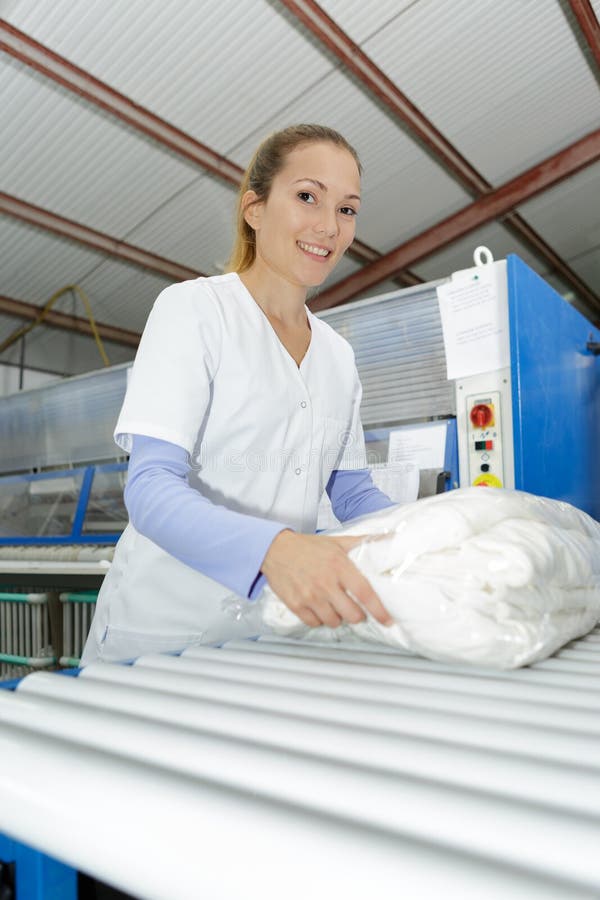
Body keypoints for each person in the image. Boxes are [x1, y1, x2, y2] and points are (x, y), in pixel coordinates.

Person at [81, 123, 395, 665]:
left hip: (266, 635)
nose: (329, 227)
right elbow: (152, 488)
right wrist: (275, 551)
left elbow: (352, 494)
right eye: (306, 197)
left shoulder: (338, 356)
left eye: (347, 210)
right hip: (158, 637)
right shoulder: (194, 311)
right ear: (254, 207)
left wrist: (444, 531)